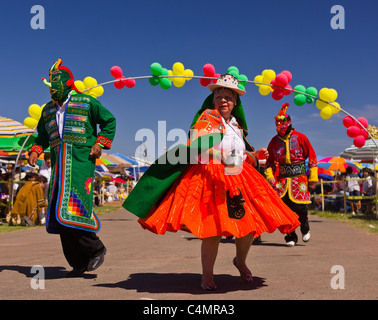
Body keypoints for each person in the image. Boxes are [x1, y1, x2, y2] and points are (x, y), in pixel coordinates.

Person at [123, 74, 300, 290]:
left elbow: (241, 154)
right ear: (213, 100)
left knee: (249, 228)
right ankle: (207, 275)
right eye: (219, 96)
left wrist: (254, 156)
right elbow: (197, 145)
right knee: (212, 229)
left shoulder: (237, 126)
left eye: (228, 96)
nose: (223, 100)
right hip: (209, 177)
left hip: (239, 177)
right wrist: (219, 156)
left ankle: (240, 261)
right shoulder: (207, 118)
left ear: (235, 102)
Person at [28, 58, 116, 277]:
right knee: (60, 215)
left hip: (80, 165)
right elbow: (41, 135)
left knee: (76, 208)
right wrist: (35, 150)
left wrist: (99, 142)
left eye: (55, 84)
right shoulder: (47, 111)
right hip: (58, 170)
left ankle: (96, 248)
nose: (51, 90)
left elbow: (109, 121)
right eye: (49, 85)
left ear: (67, 84)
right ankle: (78, 263)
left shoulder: (86, 102)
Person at [265, 103, 318, 247]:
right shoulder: (274, 141)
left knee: (300, 208)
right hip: (282, 181)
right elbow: (269, 162)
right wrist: (270, 176)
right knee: (284, 210)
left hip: (299, 179)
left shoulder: (301, 137)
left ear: (289, 123)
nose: (280, 127)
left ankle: (305, 227)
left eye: (282, 123)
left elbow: (312, 157)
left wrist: (313, 179)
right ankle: (290, 236)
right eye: (277, 124)